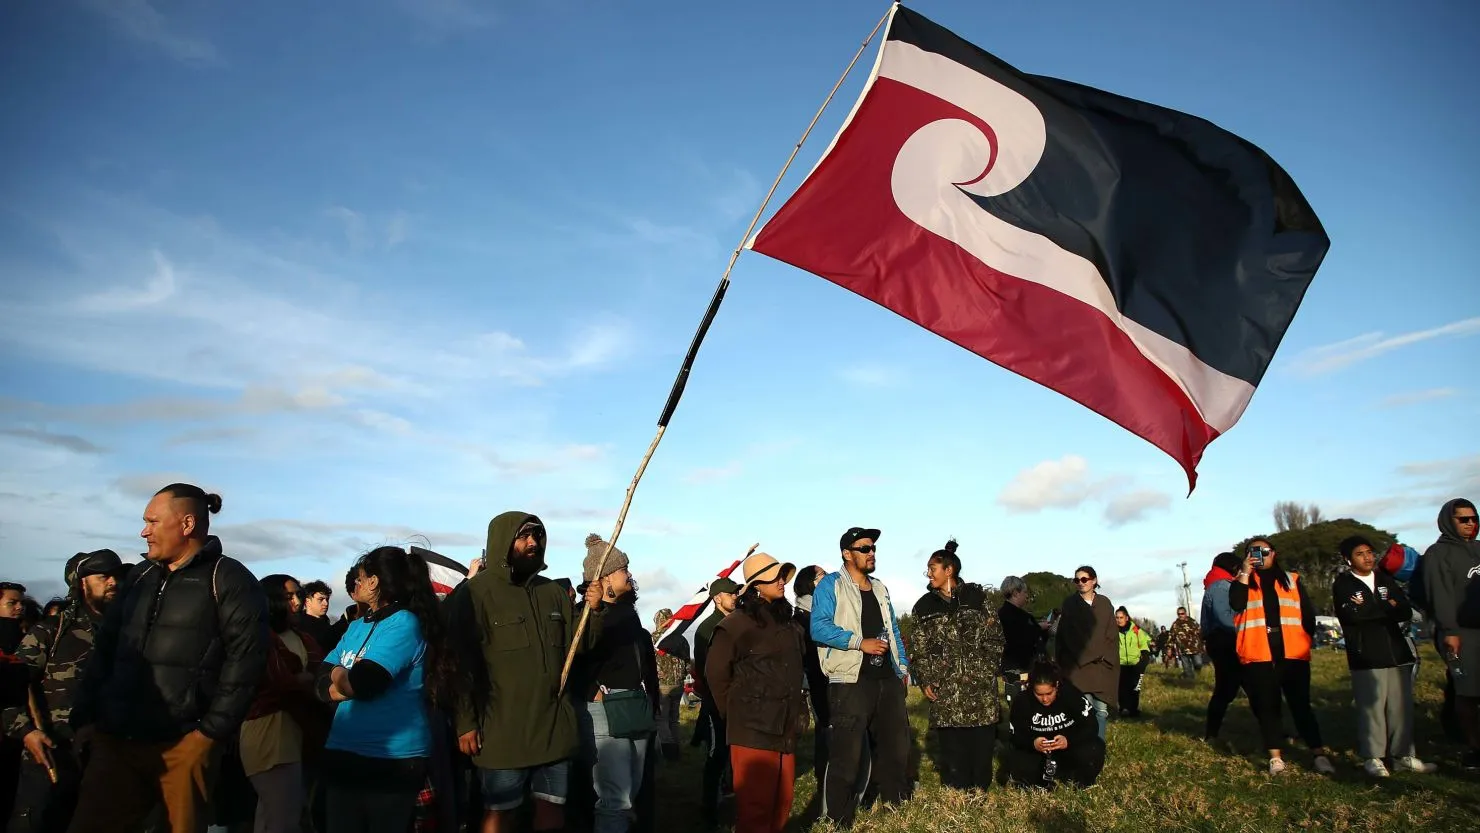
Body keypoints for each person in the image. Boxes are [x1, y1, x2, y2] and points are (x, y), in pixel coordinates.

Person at [68, 484, 268, 833]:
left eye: (152, 522)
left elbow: (246, 664)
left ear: (187, 524)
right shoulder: (139, 578)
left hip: (183, 747)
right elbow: (106, 652)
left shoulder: (230, 580)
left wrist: (207, 737)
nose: (144, 531)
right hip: (115, 742)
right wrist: (86, 718)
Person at [447, 512, 605, 833]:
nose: (533, 542)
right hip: (501, 731)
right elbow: (457, 663)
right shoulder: (474, 593)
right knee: (499, 816)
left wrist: (596, 610)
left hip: (553, 729)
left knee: (551, 814)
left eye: (537, 535)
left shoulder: (553, 593)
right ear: (502, 542)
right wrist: (465, 723)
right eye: (523, 536)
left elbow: (581, 645)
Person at [315, 547, 452, 833]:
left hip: (391, 762)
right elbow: (317, 677)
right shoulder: (355, 626)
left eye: (361, 577)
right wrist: (344, 681)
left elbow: (364, 684)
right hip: (343, 754)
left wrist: (339, 675)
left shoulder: (404, 623)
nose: (356, 583)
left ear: (374, 581)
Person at [4, 551, 127, 833]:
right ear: (82, 583)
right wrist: (27, 732)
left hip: (104, 757)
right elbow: (11, 688)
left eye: (116, 577)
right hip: (50, 755)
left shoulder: (124, 635)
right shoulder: (51, 631)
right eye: (103, 577)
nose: (112, 583)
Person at [810, 527, 910, 828]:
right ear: (847, 553)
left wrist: (901, 668)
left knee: (896, 747)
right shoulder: (830, 586)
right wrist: (859, 642)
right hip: (849, 681)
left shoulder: (880, 587)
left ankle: (894, 808)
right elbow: (818, 628)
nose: (871, 553)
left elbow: (893, 630)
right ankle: (839, 819)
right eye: (864, 548)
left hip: (887, 680)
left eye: (873, 548)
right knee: (847, 755)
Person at [705, 552, 806, 833]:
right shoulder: (735, 625)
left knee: (782, 803)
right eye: (774, 575)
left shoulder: (790, 624)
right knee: (755, 810)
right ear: (756, 585)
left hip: (785, 725)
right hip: (752, 729)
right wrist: (738, 712)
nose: (782, 580)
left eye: (783, 574)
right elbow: (715, 674)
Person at [570, 534, 657, 833]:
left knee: (630, 793)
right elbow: (577, 657)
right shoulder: (587, 616)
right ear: (605, 577)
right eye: (624, 569)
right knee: (614, 799)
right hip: (604, 709)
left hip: (632, 704)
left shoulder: (628, 614)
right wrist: (594, 694)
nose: (629, 574)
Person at [1229, 537, 1334, 776]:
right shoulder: (1240, 581)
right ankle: (1275, 758)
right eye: (1253, 552)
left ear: (1274, 554)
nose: (1260, 555)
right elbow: (1236, 603)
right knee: (1268, 707)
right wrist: (1244, 573)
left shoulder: (1292, 579)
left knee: (1301, 706)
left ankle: (1318, 754)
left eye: (1264, 551)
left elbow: (1307, 615)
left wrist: (1305, 641)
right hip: (1259, 654)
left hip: (1292, 653)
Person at [1332, 536, 1436, 777]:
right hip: (1366, 654)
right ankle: (1374, 757)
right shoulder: (1343, 584)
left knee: (1400, 707)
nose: (1368, 557)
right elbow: (1353, 616)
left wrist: (1379, 608)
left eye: (1370, 552)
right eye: (1361, 554)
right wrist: (1384, 606)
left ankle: (1403, 755)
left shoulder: (1386, 579)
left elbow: (1402, 609)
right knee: (1372, 708)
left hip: (1396, 651)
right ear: (1349, 559)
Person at [910, 540, 1003, 791]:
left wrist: (986, 669)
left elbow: (995, 638)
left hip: (980, 691)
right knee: (952, 748)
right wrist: (926, 679)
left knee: (981, 746)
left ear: (948, 570)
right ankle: (956, 790)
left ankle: (980, 790)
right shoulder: (923, 606)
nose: (928, 573)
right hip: (947, 694)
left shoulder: (977, 598)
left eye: (932, 568)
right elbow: (918, 650)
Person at [242, 574, 329, 833]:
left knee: (273, 816)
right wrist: (303, 679)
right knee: (282, 818)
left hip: (297, 731)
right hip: (268, 730)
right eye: (288, 597)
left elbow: (318, 673)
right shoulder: (257, 635)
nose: (296, 603)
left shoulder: (303, 638)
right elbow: (280, 682)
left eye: (298, 596)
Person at [1419, 498, 1480, 770]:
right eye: (1463, 519)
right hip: (1460, 634)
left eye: (1474, 518)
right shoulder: (1437, 554)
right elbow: (1439, 596)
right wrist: (1450, 631)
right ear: (1448, 520)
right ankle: (1472, 747)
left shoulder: (1478, 549)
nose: (1471, 524)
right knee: (1466, 691)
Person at [1006, 661, 1104, 790]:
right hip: (1038, 753)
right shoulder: (1022, 701)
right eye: (1039, 694)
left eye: (1049, 693)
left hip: (1069, 749)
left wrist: (1068, 740)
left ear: (1056, 685)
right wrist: (1033, 743)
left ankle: (1080, 780)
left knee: (1095, 747)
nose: (1045, 699)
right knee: (1018, 759)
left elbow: (1091, 726)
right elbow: (1015, 735)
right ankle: (1037, 782)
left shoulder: (1071, 694)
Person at [691, 575, 740, 826]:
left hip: (736, 700)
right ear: (717, 598)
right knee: (717, 755)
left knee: (732, 754)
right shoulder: (708, 628)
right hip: (717, 702)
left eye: (736, 593)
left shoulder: (735, 622)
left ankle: (729, 802)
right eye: (731, 593)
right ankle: (709, 810)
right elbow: (707, 669)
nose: (736, 596)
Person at [1053, 566, 1117, 740]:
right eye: (1077, 580)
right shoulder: (1069, 604)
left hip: (1101, 666)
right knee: (1083, 711)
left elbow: (1111, 635)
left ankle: (1099, 747)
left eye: (1084, 579)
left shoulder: (1104, 603)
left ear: (1094, 580)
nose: (1080, 583)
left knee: (1101, 712)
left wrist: (1105, 656)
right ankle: (1084, 749)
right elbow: (1064, 636)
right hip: (1078, 667)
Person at [1199, 551, 1244, 741]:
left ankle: (1212, 733)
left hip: (1221, 641)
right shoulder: (1221, 586)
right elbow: (1225, 617)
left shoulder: (1215, 583)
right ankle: (1211, 733)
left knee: (1228, 689)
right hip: (1227, 641)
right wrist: (1244, 631)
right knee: (1228, 689)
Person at [791, 566, 830, 780]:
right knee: (824, 726)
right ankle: (823, 772)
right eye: (822, 575)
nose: (827, 577)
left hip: (826, 678)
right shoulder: (801, 619)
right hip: (813, 681)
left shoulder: (823, 611)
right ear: (810, 583)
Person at [651, 609, 687, 762]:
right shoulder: (681, 639)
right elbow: (687, 663)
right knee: (674, 719)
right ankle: (676, 750)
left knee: (661, 719)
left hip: (661, 685)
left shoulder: (654, 638)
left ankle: (669, 751)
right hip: (678, 684)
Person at [1114, 606, 1151, 718]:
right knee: (1121, 687)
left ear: (1126, 618)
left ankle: (1133, 710)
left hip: (1136, 664)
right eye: (1116, 617)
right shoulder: (1113, 631)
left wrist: (1143, 662)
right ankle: (1124, 708)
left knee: (1135, 688)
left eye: (1121, 617)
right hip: (1121, 664)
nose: (1119, 620)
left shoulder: (1136, 630)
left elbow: (1144, 645)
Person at [298, 580, 335, 655]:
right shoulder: (299, 627)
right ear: (307, 602)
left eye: (327, 599)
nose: (326, 603)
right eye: (320, 599)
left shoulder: (328, 626)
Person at [1167, 607, 1204, 679]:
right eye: (1179, 614)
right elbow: (1171, 637)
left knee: (1198, 663)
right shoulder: (1175, 625)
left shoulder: (1192, 622)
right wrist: (1169, 649)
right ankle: (1190, 682)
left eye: (1182, 613)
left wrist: (1204, 643)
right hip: (1183, 649)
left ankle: (1195, 673)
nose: (1180, 615)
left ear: (1185, 613)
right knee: (1187, 669)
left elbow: (1200, 633)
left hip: (1194, 648)